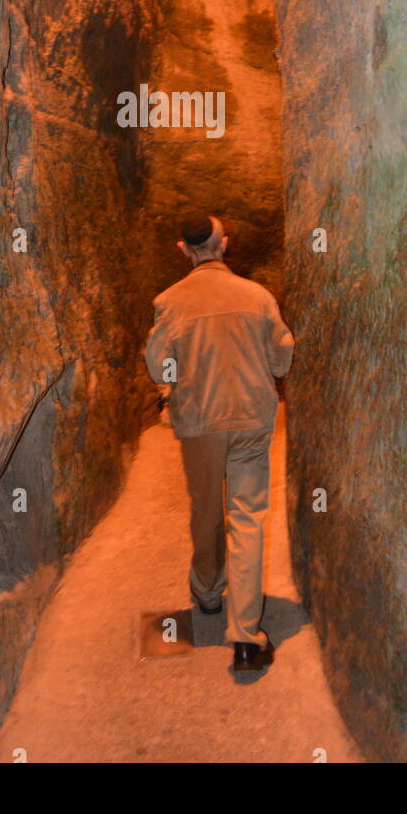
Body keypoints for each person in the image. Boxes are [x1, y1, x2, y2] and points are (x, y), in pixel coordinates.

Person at [144, 212, 295, 678]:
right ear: (223, 244)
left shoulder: (170, 301)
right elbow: (282, 355)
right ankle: (247, 639)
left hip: (201, 423)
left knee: (206, 509)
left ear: (184, 249)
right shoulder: (257, 296)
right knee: (247, 519)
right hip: (252, 417)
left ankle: (208, 594)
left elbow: (158, 367)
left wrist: (179, 387)